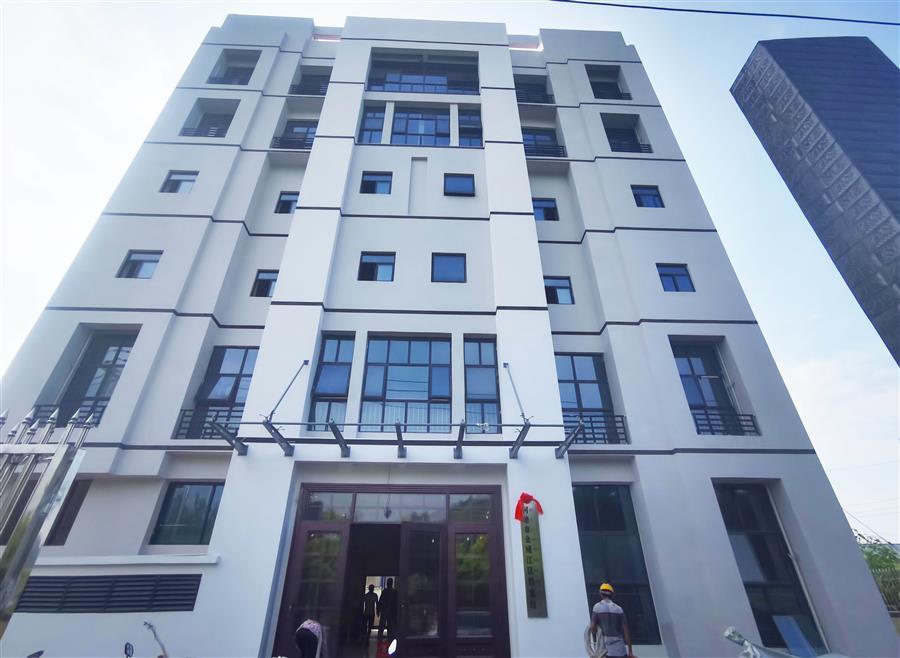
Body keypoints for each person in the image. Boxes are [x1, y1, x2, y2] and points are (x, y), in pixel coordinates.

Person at [590, 583, 635, 658]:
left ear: (601, 594)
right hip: (621, 651)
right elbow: (626, 632)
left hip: (606, 651)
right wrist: (630, 652)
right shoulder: (619, 609)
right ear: (612, 595)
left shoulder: (597, 607)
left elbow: (593, 628)